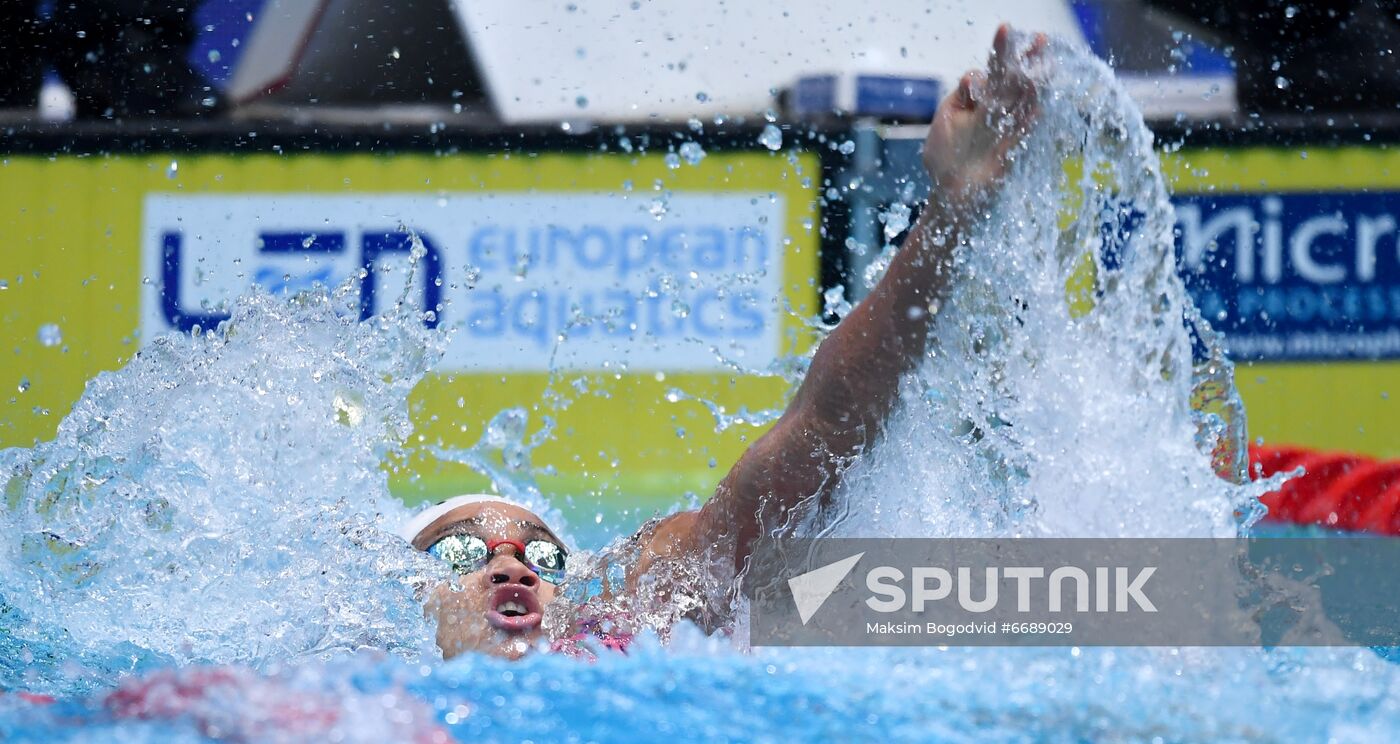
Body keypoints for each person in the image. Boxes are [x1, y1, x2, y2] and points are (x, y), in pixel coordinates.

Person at [400, 24, 1048, 660]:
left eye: (545, 556)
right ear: (396, 603)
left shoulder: (614, 635)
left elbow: (813, 439)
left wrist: (953, 208)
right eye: (458, 552)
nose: (514, 570)